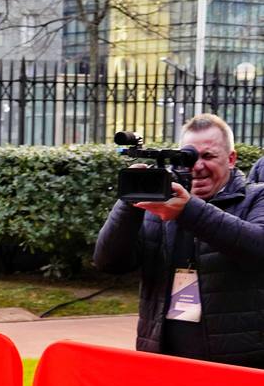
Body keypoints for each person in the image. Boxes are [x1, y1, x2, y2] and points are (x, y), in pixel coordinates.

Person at [94, 114, 264, 367]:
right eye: (187, 157)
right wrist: (129, 201)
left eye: (207, 157)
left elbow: (258, 247)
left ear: (231, 159)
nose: (196, 167)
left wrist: (188, 211)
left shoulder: (255, 197)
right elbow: (110, 262)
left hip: (237, 366)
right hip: (163, 360)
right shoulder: (158, 206)